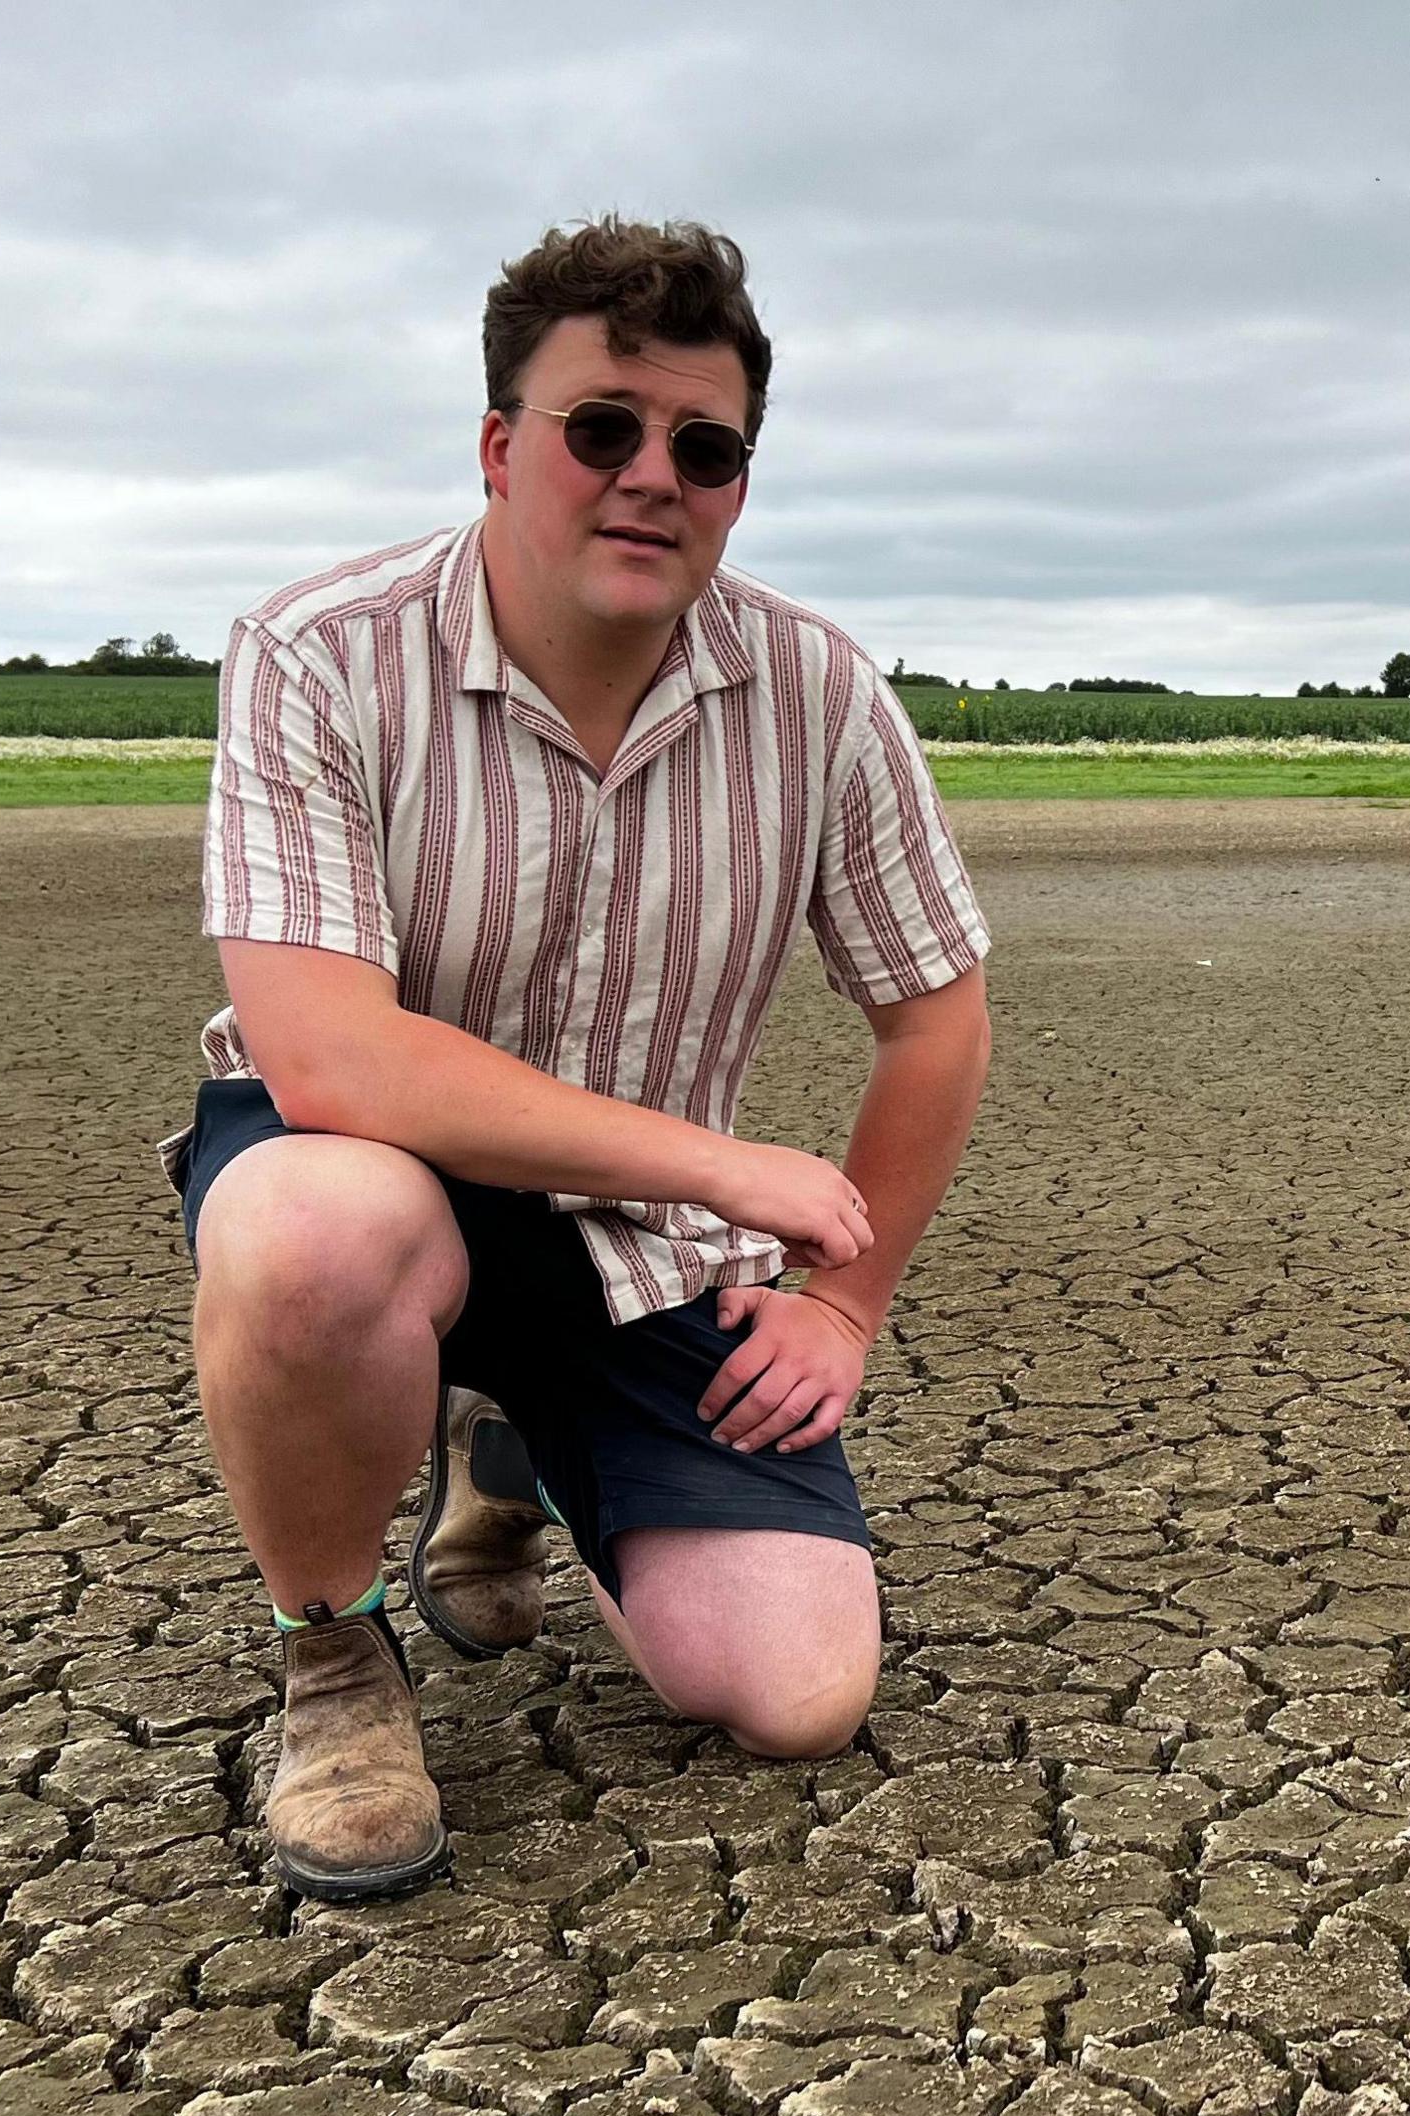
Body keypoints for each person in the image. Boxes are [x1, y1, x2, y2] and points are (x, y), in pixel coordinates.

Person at [161, 217, 992, 1900]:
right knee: (319, 1231)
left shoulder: (820, 694)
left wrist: (844, 1305)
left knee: (796, 1694)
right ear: (499, 443)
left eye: (707, 448)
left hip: (631, 1247)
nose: (652, 477)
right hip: (369, 1168)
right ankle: (334, 1657)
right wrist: (718, 1163)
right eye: (599, 427)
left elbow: (936, 1013)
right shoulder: (323, 651)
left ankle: (516, 1451)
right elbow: (328, 1055)